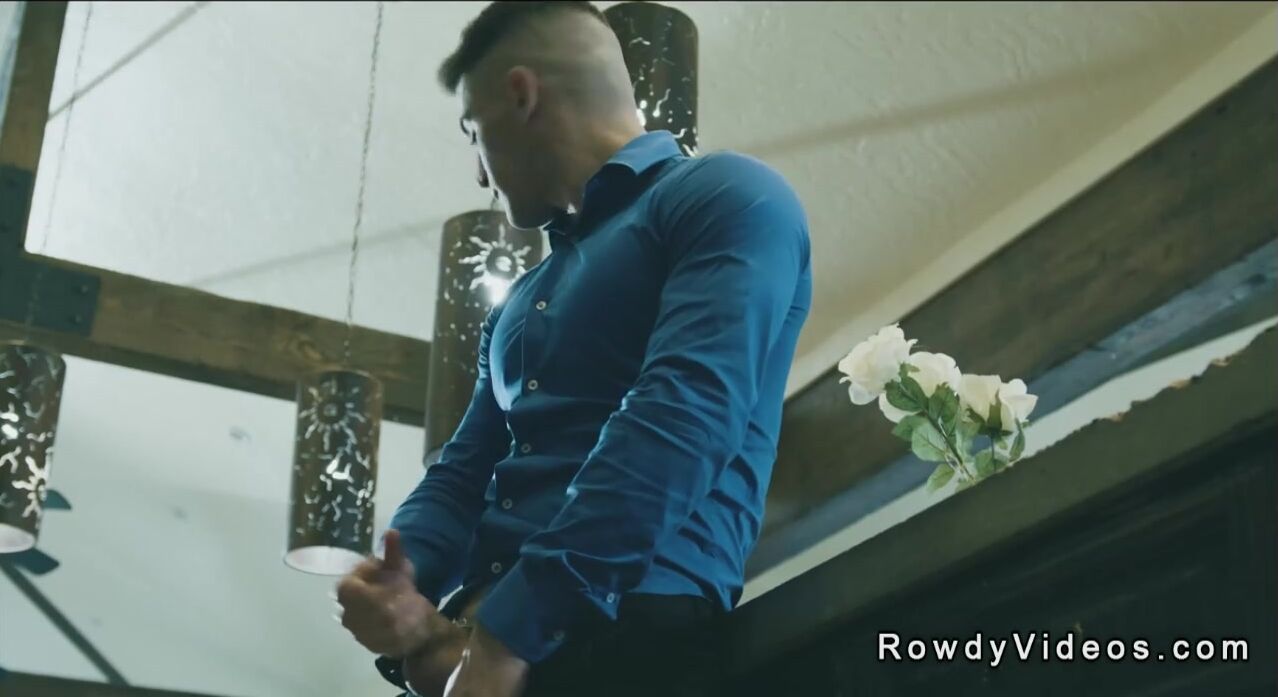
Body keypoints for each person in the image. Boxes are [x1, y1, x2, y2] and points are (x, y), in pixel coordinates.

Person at [334, 2, 812, 696]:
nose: (479, 174)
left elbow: (681, 416)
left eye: (474, 134)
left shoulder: (727, 194)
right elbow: (463, 471)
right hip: (490, 646)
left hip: (626, 633)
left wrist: (508, 634)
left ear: (520, 94)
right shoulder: (519, 302)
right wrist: (404, 574)